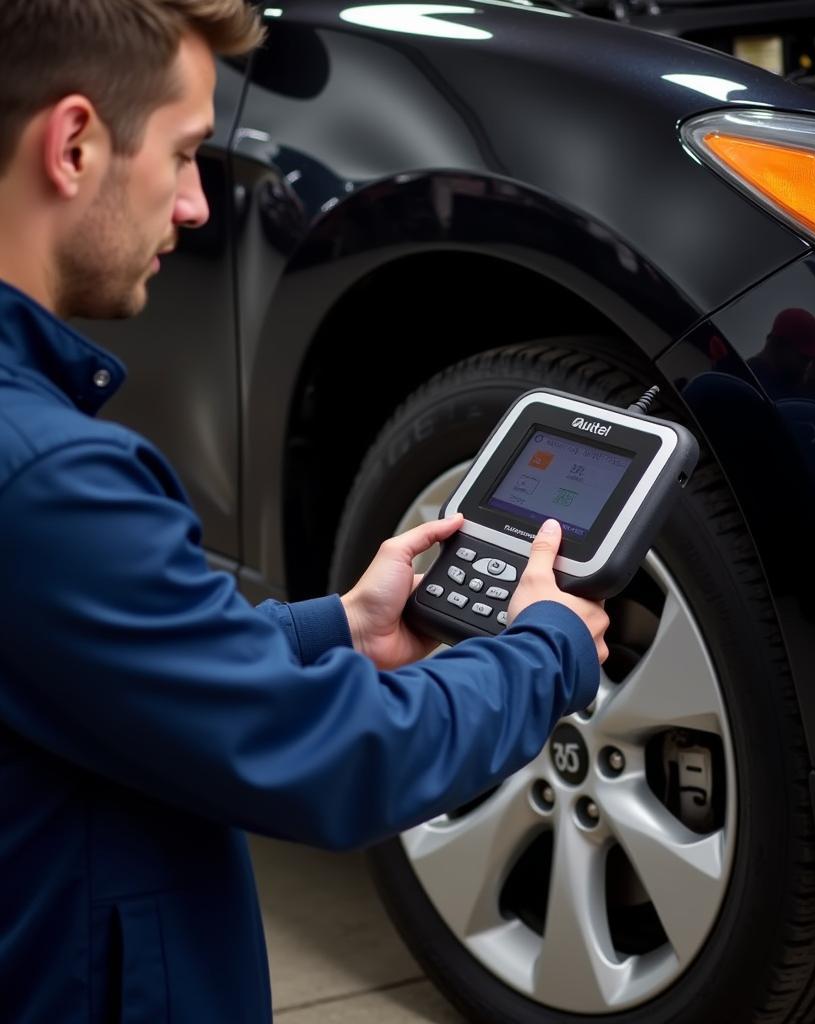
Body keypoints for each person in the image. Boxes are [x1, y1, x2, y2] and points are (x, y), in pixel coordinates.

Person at [0, 3, 609, 1021]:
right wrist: (544, 651)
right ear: (72, 144)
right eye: (187, 153)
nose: (195, 205)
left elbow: (94, 657)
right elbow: (329, 760)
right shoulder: (50, 480)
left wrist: (338, 626)